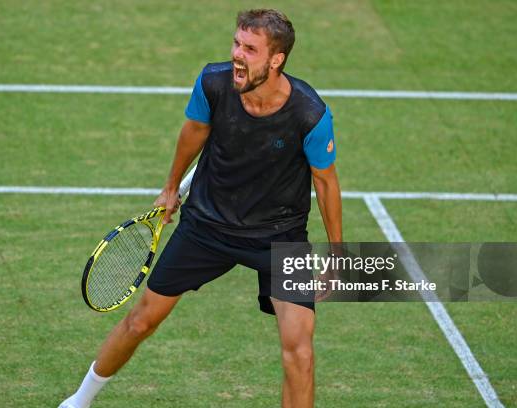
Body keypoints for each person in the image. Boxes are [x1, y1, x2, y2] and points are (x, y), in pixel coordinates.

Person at [60, 8, 342, 408]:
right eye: (236, 43)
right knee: (142, 320)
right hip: (207, 225)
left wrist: (337, 249)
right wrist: (171, 187)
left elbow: (326, 183)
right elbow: (193, 134)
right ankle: (79, 400)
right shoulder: (213, 84)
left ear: (276, 60)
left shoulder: (310, 114)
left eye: (250, 48)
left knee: (300, 352)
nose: (237, 55)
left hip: (279, 236)